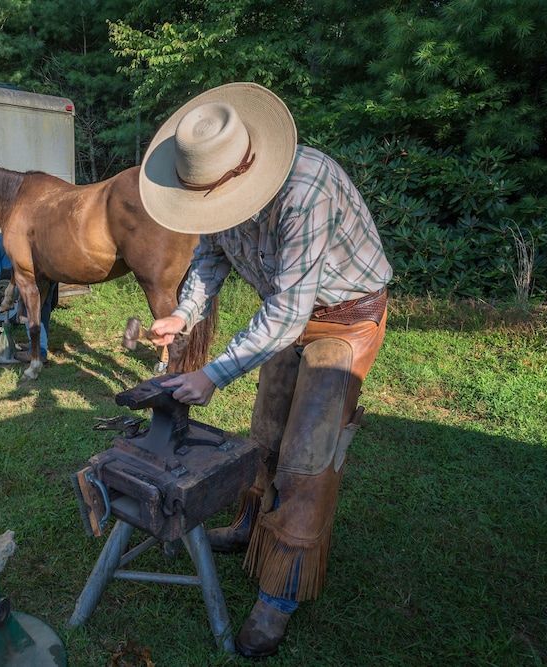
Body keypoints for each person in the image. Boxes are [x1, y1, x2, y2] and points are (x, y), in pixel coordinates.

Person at [141, 83, 393, 658]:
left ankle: (279, 593)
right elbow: (210, 258)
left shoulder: (306, 189)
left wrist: (213, 374)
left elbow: (287, 312)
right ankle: (251, 528)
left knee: (308, 454)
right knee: (267, 434)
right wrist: (183, 314)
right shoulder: (213, 187)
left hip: (344, 320)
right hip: (288, 316)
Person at [0, 233, 57, 363]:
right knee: (43, 306)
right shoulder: (1, 239)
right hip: (49, 263)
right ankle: (39, 346)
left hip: (35, 270)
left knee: (29, 307)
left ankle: (37, 352)